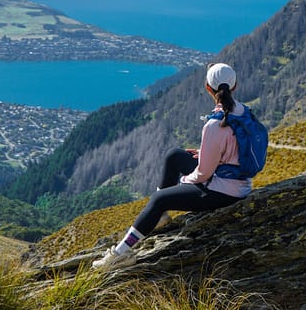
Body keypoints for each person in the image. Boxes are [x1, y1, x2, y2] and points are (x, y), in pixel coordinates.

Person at [92, 62, 253, 270]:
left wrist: (185, 182)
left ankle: (120, 254)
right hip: (238, 182)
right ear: (235, 86)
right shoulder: (244, 112)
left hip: (224, 192)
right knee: (175, 156)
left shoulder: (214, 125)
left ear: (207, 87)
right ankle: (160, 218)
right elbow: (237, 148)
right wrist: (206, 154)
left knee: (160, 199)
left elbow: (203, 174)